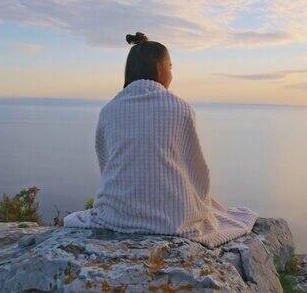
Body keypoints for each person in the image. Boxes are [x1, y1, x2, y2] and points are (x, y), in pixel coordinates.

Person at [64, 32, 258, 248]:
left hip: (116, 214)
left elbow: (106, 163)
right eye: (171, 67)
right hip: (173, 219)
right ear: (159, 68)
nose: (172, 74)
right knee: (210, 208)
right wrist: (199, 202)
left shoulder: (108, 110)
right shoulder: (180, 108)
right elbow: (196, 169)